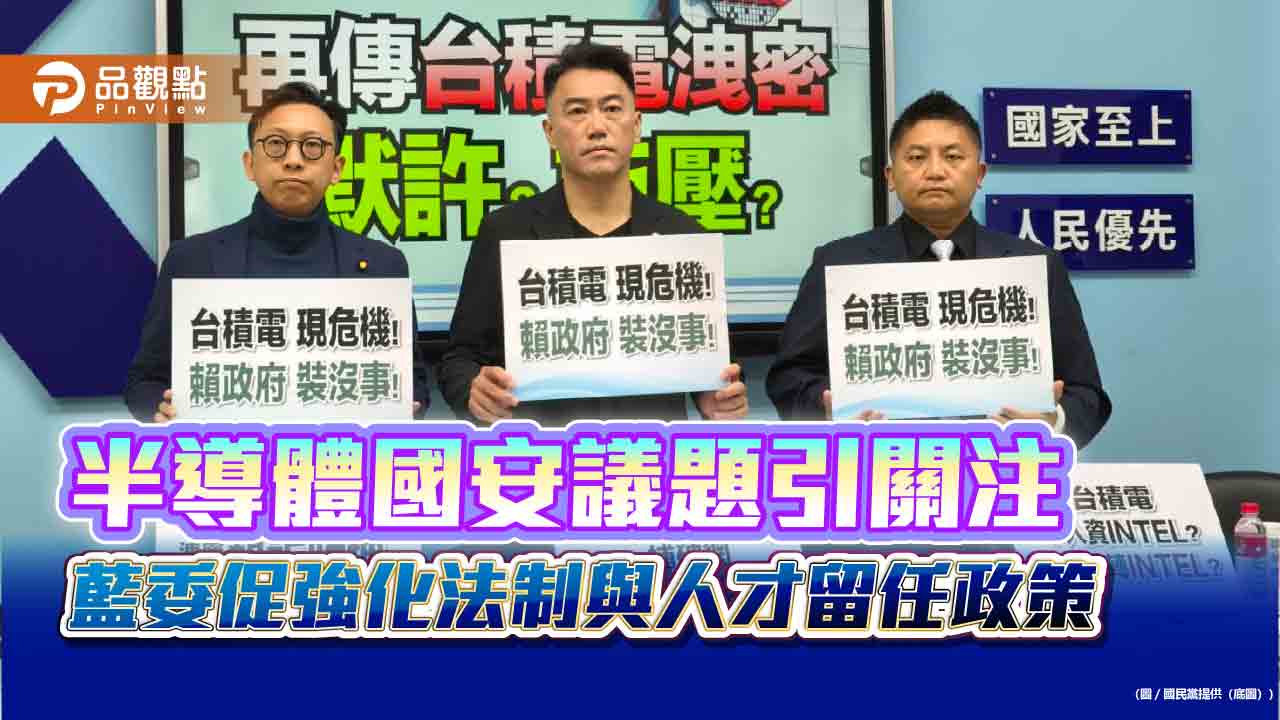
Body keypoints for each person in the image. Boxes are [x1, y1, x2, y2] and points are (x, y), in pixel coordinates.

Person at [767, 90, 1110, 448]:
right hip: (880, 464)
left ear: (980, 173)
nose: (934, 171)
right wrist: (826, 411)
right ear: (890, 176)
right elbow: (788, 377)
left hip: (1002, 465)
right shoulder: (839, 262)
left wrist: (1052, 422)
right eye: (916, 157)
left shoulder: (1034, 266)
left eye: (953, 157)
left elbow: (1087, 394)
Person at [439, 42, 747, 426]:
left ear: (636, 126)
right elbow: (459, 359)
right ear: (550, 132)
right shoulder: (506, 232)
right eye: (577, 111)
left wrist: (718, 397)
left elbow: (717, 365)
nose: (597, 127)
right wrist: (473, 390)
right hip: (541, 454)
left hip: (650, 455)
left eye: (612, 109)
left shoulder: (682, 236)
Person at [124, 81, 429, 422]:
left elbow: (415, 384)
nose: (293, 160)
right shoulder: (192, 260)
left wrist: (403, 404)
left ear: (337, 168)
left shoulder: (383, 265)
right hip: (232, 453)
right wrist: (159, 408)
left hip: (341, 452)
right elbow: (143, 382)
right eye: (276, 144)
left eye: (312, 146)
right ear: (250, 164)